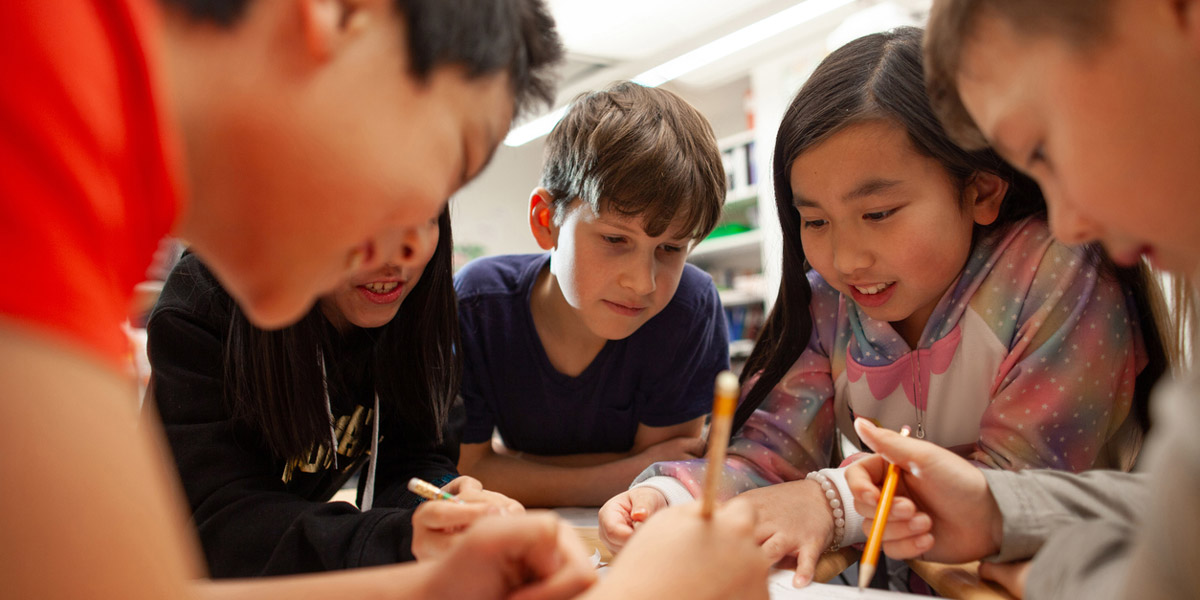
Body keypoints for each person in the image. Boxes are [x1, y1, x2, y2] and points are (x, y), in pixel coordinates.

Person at [0, 0, 771, 598]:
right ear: (340, 20)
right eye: (435, 163)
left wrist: (425, 582)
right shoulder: (42, 67)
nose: (409, 243)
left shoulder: (106, 140)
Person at [599, 26, 1169, 589]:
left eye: (879, 213)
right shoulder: (825, 298)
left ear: (981, 192)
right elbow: (770, 454)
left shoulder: (1057, 269)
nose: (845, 259)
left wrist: (833, 500)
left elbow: (1021, 491)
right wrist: (668, 498)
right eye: (815, 221)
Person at [845, 1, 1200, 598]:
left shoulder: (1060, 271)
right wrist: (994, 510)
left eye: (1044, 147)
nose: (1070, 222)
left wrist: (1054, 571)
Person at [148, 207, 524, 576]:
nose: (399, 256)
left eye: (420, 218)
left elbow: (413, 462)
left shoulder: (412, 312)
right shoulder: (210, 297)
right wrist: (404, 538)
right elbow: (220, 527)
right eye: (361, 220)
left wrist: (448, 502)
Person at [455, 81, 730, 507]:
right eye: (615, 240)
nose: (643, 283)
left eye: (671, 249)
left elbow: (664, 476)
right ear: (546, 220)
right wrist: (625, 471)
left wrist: (512, 465)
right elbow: (466, 471)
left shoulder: (687, 307)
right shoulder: (478, 306)